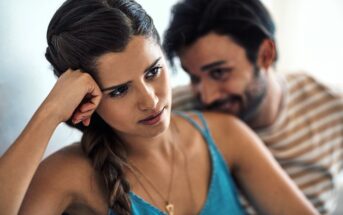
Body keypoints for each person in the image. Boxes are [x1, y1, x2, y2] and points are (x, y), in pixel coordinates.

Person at [0, 0, 319, 215]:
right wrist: (49, 113)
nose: (150, 100)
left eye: (153, 72)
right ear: (87, 98)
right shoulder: (69, 174)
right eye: (121, 90)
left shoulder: (224, 134)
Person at [163, 0, 343, 214]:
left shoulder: (332, 108)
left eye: (219, 73)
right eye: (194, 78)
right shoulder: (173, 114)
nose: (207, 97)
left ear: (265, 55)